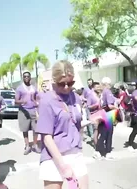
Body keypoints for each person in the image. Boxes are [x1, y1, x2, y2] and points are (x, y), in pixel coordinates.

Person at [36, 60, 90, 189]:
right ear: (54, 81)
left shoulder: (75, 97)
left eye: (70, 83)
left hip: (75, 152)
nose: (66, 87)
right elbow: (47, 137)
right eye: (62, 84)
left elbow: (76, 124)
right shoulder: (47, 101)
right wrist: (63, 166)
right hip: (54, 156)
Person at [15, 71, 40, 155]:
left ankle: (35, 145)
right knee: (24, 129)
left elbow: (37, 98)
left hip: (33, 110)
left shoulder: (34, 88)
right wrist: (22, 101)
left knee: (36, 129)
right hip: (23, 111)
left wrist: (37, 104)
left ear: (30, 78)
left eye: (27, 76)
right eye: (24, 76)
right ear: (23, 78)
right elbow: (16, 101)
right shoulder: (19, 88)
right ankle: (27, 145)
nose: (26, 78)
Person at [97, 77, 116, 160]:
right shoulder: (107, 92)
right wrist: (116, 108)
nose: (110, 85)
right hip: (108, 115)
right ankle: (103, 151)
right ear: (106, 84)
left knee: (104, 134)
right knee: (107, 134)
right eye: (109, 84)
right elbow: (110, 105)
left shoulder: (103, 92)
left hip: (104, 114)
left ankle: (101, 151)